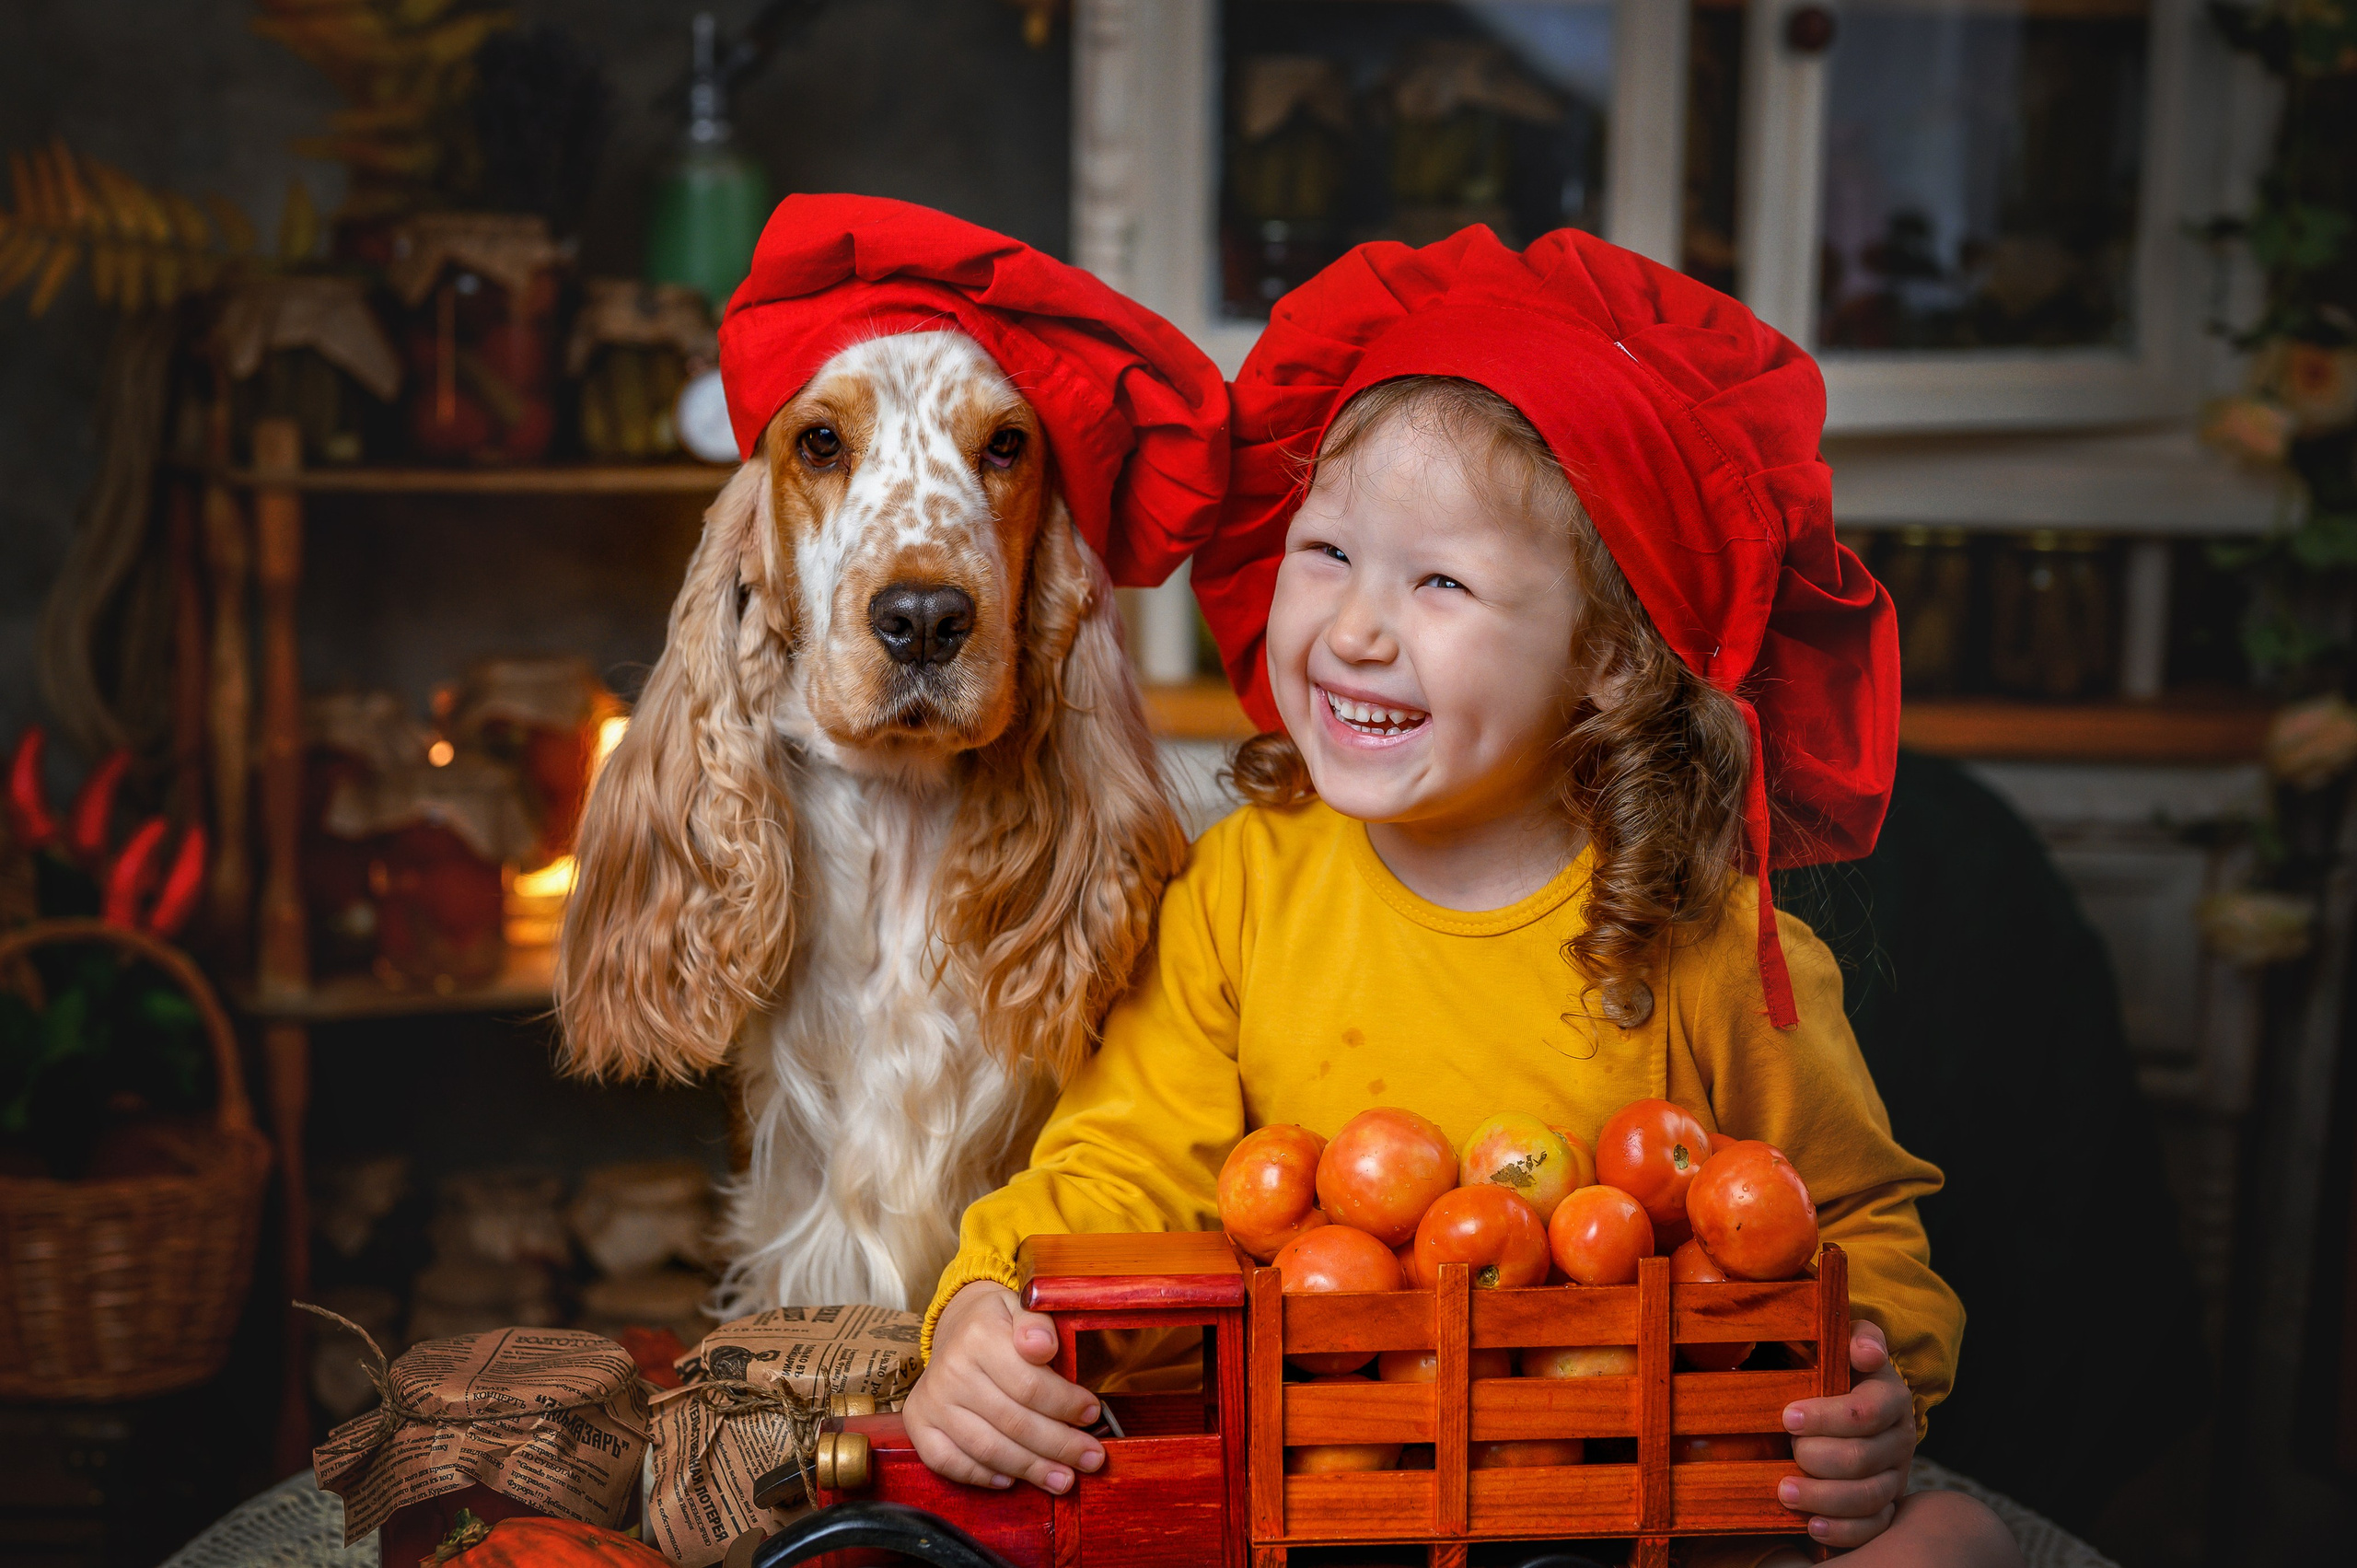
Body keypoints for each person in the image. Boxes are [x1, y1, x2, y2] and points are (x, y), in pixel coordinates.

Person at [904, 226, 2018, 1566]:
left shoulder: (1709, 938)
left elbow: (1852, 1219)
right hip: (1337, 1507)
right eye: (1327, 554)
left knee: (1953, 1540)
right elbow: (1126, 1165)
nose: (1357, 627)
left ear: (1607, 658)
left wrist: (1870, 1389)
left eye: (1441, 582)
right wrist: (988, 1311)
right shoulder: (1239, 894)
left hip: (1636, 1512)